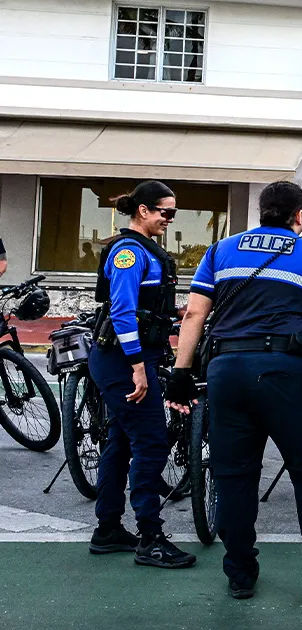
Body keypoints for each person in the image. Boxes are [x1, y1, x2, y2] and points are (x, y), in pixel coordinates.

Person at [167, 181, 302, 600]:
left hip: (227, 370)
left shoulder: (220, 250)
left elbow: (195, 313)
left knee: (234, 475)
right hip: (284, 371)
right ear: (299, 215)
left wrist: (181, 371)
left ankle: (240, 573)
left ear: (262, 211)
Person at [86, 180, 195, 569]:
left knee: (121, 442)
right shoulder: (130, 252)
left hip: (128, 359)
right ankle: (150, 538)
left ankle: (108, 529)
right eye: (166, 212)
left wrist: (178, 314)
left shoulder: (146, 250)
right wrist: (137, 368)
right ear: (143, 211)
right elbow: (121, 312)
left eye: (173, 213)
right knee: (150, 443)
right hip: (123, 361)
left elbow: (147, 306)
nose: (170, 219)